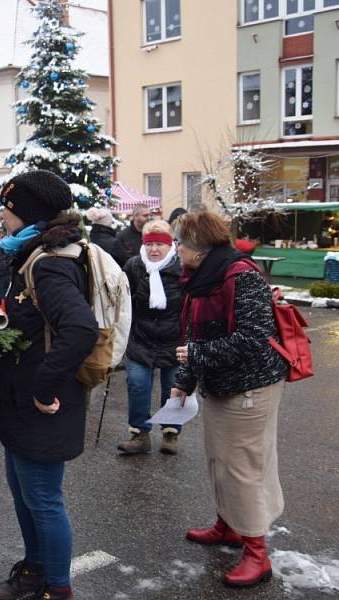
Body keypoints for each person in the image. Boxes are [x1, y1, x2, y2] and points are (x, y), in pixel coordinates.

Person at [0, 170, 98, 600]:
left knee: (43, 499)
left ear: (29, 215)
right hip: (22, 404)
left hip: (43, 407)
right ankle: (35, 570)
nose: (3, 217)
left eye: (8, 210)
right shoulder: (35, 255)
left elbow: (79, 329)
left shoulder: (50, 264)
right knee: (24, 494)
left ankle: (58, 588)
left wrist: (43, 388)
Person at [171, 211, 288, 588]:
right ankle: (229, 526)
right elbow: (193, 336)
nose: (176, 250)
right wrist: (184, 382)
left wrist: (196, 358)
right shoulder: (199, 278)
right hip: (222, 384)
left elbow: (254, 338)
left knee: (244, 469)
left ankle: (257, 554)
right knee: (220, 460)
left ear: (199, 249)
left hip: (251, 386)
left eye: (180, 243)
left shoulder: (241, 276)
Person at [117, 220, 183, 455]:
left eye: (160, 244)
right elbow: (122, 300)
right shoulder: (134, 266)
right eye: (150, 244)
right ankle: (139, 434)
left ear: (170, 245)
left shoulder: (182, 267)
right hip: (140, 337)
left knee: (174, 388)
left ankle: (171, 433)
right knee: (137, 385)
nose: (154, 250)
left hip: (174, 340)